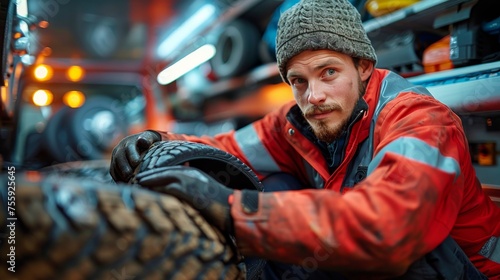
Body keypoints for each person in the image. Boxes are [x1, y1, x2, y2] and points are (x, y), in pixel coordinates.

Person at [110, 0, 500, 278]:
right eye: (298, 81)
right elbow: (228, 148)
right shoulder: (296, 123)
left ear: (363, 66)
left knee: (406, 254)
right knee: (274, 184)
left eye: (328, 72)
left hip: (462, 268)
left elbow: (388, 230)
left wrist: (234, 210)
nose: (313, 96)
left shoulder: (419, 120)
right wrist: (157, 141)